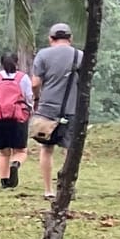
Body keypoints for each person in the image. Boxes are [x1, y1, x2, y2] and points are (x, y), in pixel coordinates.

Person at [30, 20, 83, 195]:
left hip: (47, 108)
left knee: (46, 149)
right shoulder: (80, 56)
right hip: (72, 108)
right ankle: (68, 187)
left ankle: (48, 190)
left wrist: (37, 97)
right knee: (70, 150)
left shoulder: (43, 55)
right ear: (71, 38)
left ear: (51, 38)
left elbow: (35, 83)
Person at [0, 49, 34, 188]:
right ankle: (15, 164)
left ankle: (5, 182)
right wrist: (31, 110)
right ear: (16, 62)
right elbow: (29, 97)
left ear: (1, 64)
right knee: (20, 151)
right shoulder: (23, 78)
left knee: (3, 152)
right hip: (18, 118)